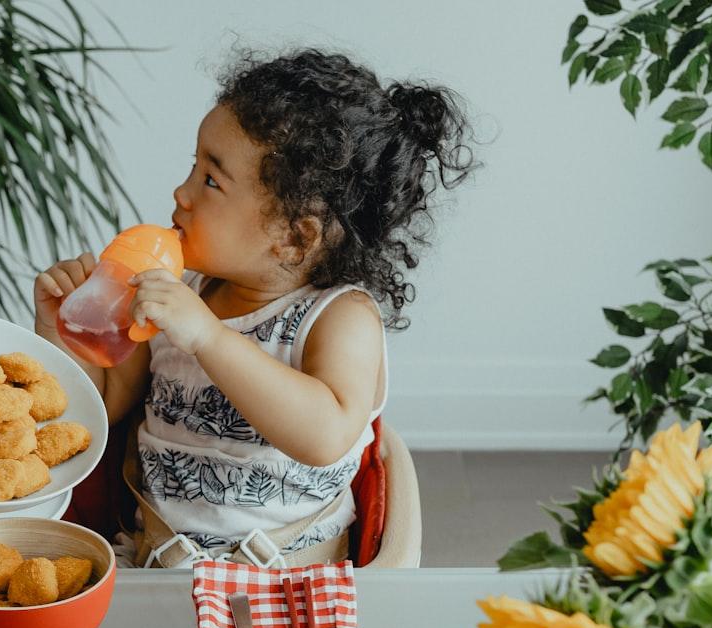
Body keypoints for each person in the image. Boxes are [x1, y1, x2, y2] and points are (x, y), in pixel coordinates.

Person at [35, 50, 475, 568]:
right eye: (192, 168)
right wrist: (61, 328)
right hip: (157, 557)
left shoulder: (338, 317)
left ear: (294, 236)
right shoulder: (178, 294)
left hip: (288, 575)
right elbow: (104, 404)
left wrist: (207, 337)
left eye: (211, 181)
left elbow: (327, 433)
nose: (181, 193)